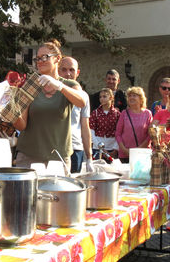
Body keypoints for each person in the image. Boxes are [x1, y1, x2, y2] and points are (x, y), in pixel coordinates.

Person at [14, 40, 86, 169]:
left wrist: (59, 86)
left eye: (45, 57)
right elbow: (21, 125)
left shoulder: (70, 84)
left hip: (57, 159)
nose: (40, 61)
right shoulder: (31, 85)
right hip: (28, 157)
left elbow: (81, 102)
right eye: (38, 58)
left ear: (57, 59)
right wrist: (10, 107)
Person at [58, 56, 93, 173]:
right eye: (64, 69)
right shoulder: (51, 93)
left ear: (77, 73)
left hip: (75, 148)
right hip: (55, 148)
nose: (68, 74)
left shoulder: (83, 96)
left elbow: (85, 126)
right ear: (58, 71)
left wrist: (89, 157)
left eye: (71, 70)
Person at [115, 87, 152, 162]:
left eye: (134, 95)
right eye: (129, 96)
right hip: (125, 154)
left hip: (142, 153)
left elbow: (150, 134)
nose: (131, 97)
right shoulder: (124, 113)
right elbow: (118, 134)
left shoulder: (147, 113)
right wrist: (124, 149)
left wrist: (139, 149)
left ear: (141, 99)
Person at [89, 88, 120, 160]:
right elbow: (91, 132)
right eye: (100, 97)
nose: (102, 99)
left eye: (104, 96)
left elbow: (119, 132)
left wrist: (115, 149)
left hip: (112, 147)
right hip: (97, 147)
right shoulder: (95, 113)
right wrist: (100, 147)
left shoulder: (117, 114)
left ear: (111, 98)